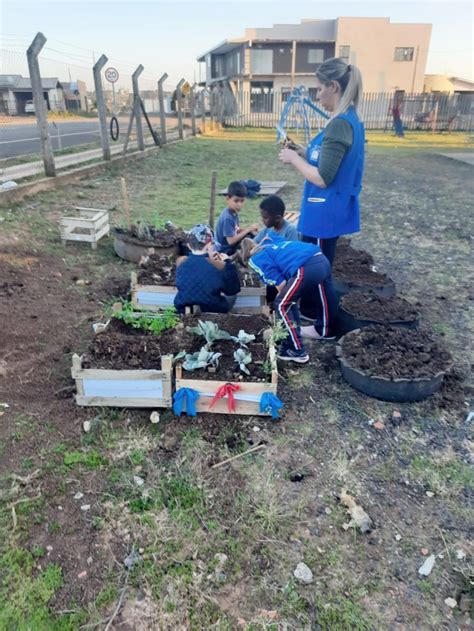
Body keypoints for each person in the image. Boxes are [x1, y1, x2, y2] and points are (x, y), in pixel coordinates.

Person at [278, 57, 365, 335]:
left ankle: (324, 327)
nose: (317, 95)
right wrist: (303, 151)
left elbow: (323, 177)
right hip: (327, 209)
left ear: (333, 86)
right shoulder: (347, 119)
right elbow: (326, 161)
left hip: (323, 211)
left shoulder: (339, 124)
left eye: (319, 89)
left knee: (317, 268)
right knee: (320, 265)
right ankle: (317, 315)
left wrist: (293, 159)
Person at [248, 240, 337, 363]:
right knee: (319, 294)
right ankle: (325, 330)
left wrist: (279, 324)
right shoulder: (273, 246)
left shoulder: (256, 260)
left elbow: (282, 286)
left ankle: (295, 349)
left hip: (306, 267)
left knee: (282, 305)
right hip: (321, 259)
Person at [174, 224, 241, 314]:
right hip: (213, 308)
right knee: (231, 294)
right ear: (209, 245)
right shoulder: (221, 265)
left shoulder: (180, 262)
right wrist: (228, 263)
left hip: (183, 309)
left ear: (189, 246)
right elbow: (233, 290)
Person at [215, 181, 260, 255]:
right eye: (236, 201)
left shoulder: (233, 212)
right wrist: (248, 229)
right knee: (248, 244)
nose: (239, 204)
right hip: (225, 251)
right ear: (228, 199)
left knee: (251, 236)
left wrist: (249, 229)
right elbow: (231, 241)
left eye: (242, 201)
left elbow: (236, 230)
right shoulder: (227, 217)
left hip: (230, 246)